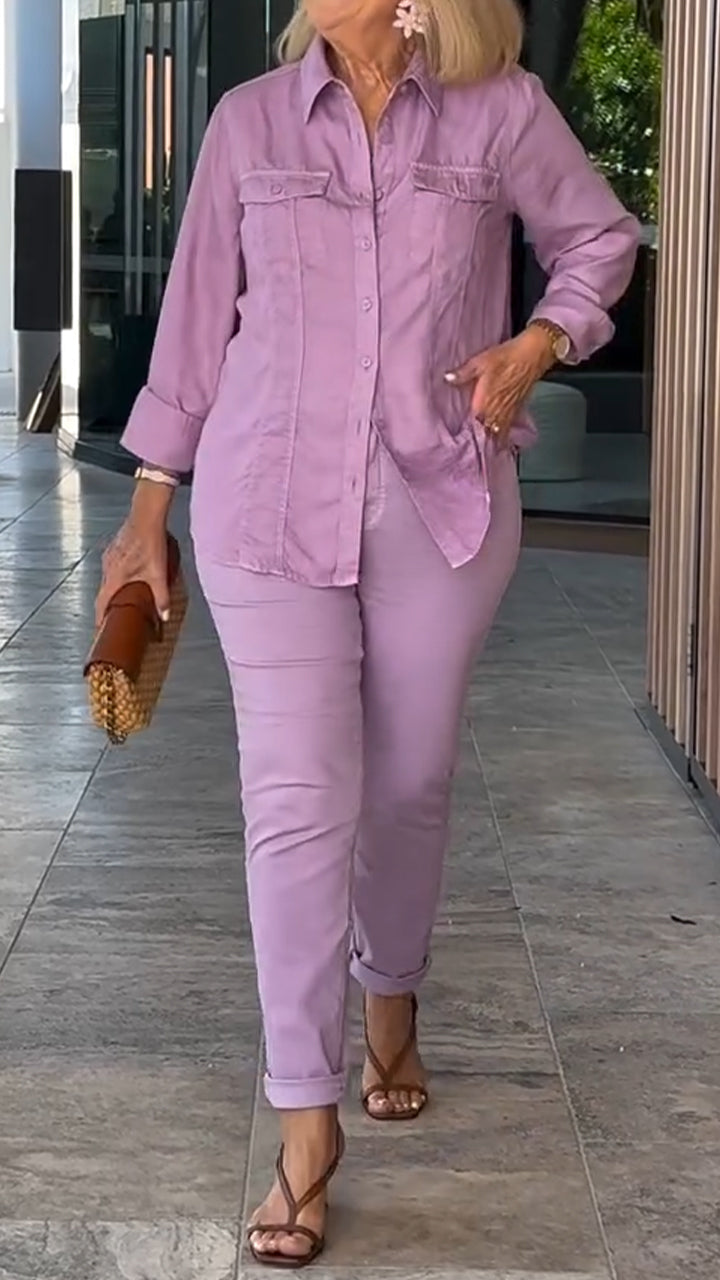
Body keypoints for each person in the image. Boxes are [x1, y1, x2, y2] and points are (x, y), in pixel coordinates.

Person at [96, 0, 639, 1267]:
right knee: (296, 798)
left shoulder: (500, 109)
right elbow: (195, 324)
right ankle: (306, 1119)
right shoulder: (249, 123)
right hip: (264, 500)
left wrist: (541, 340)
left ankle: (389, 986)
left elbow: (600, 239)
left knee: (406, 784)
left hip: (440, 505)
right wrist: (146, 510)